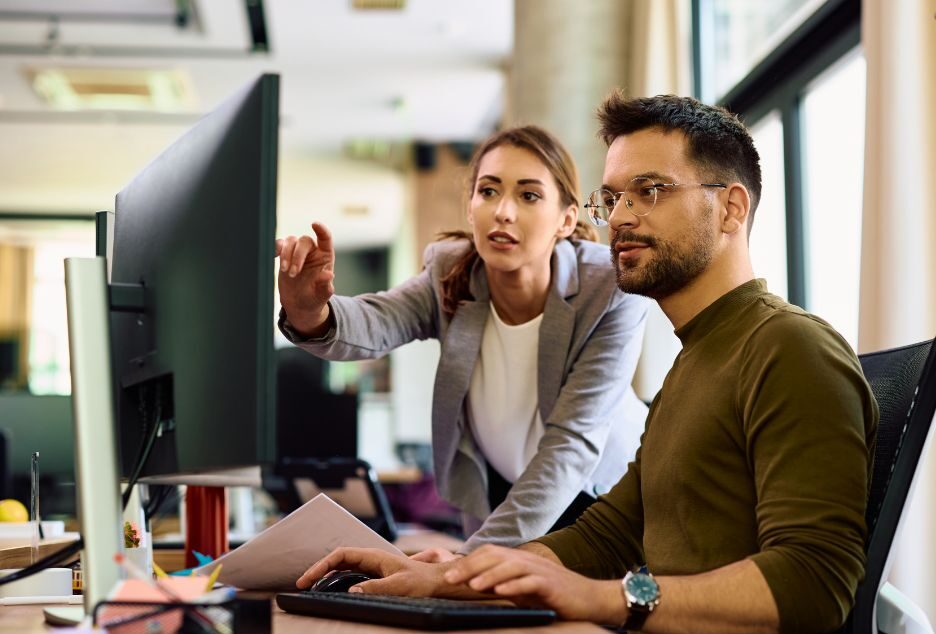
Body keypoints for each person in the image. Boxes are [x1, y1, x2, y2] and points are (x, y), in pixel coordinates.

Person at [294, 94, 879, 634]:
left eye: (649, 191)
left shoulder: (789, 347)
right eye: (614, 198)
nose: (620, 217)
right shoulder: (692, 364)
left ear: (730, 208)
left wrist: (606, 598)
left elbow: (814, 583)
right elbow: (608, 535)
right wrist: (449, 576)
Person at [275, 125, 650, 553]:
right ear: (470, 208)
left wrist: (469, 560)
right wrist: (311, 312)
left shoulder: (608, 288)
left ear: (565, 220)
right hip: (503, 496)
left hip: (604, 500)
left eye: (529, 196)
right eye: (488, 191)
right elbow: (377, 320)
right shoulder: (451, 273)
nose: (502, 211)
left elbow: (572, 444)